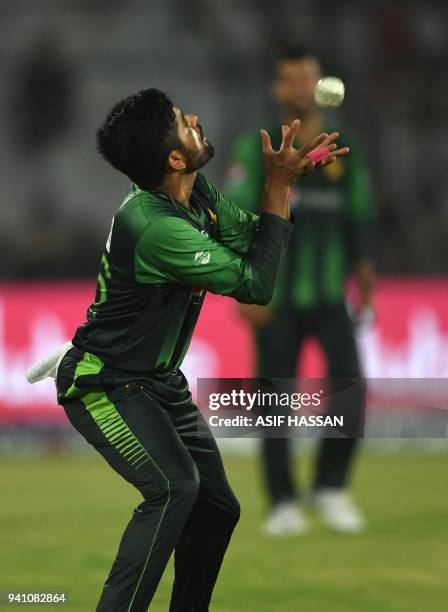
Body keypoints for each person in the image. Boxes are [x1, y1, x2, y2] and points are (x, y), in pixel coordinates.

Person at [27, 88, 348, 611]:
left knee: (218, 507)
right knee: (174, 488)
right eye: (182, 120)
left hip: (157, 383)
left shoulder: (192, 195)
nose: (195, 118)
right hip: (105, 384)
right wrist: (278, 189)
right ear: (174, 158)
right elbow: (256, 283)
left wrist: (283, 187)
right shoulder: (155, 225)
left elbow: (253, 234)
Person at [225, 48, 374, 536]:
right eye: (289, 80)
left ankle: (330, 488)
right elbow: (235, 219)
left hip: (330, 295)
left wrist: (366, 284)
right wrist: (244, 291)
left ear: (317, 85)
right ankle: (283, 502)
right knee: (273, 399)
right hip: (274, 296)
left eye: (305, 79)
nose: (298, 88)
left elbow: (358, 221)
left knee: (351, 386)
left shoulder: (343, 147)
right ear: (276, 89)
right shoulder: (258, 146)